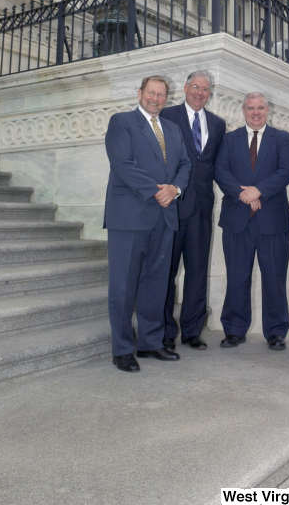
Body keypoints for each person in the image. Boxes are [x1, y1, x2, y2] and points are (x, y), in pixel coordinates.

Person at [104, 75, 191, 373]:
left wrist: (175, 189)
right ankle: (123, 349)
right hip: (130, 217)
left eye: (161, 94)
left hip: (164, 217)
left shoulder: (173, 129)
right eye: (150, 93)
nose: (155, 98)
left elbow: (184, 164)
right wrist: (158, 191)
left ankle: (150, 343)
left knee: (155, 285)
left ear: (167, 97)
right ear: (139, 93)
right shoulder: (122, 122)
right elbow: (122, 163)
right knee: (123, 287)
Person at [214, 92, 289, 350]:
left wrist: (258, 191)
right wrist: (243, 194)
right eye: (251, 108)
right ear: (243, 110)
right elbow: (220, 171)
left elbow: (286, 171)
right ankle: (234, 330)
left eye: (260, 108)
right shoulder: (228, 139)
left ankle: (276, 332)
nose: (256, 112)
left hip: (272, 220)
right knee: (237, 278)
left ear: (267, 109)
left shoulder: (282, 139)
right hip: (237, 220)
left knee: (274, 278)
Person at [161, 70, 226, 350]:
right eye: (195, 87)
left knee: (198, 272)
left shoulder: (218, 124)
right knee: (167, 272)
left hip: (201, 207)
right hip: (172, 207)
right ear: (186, 88)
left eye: (205, 89)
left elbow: (217, 166)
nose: (200, 93)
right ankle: (164, 332)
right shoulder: (167, 116)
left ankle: (191, 332)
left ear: (210, 93)